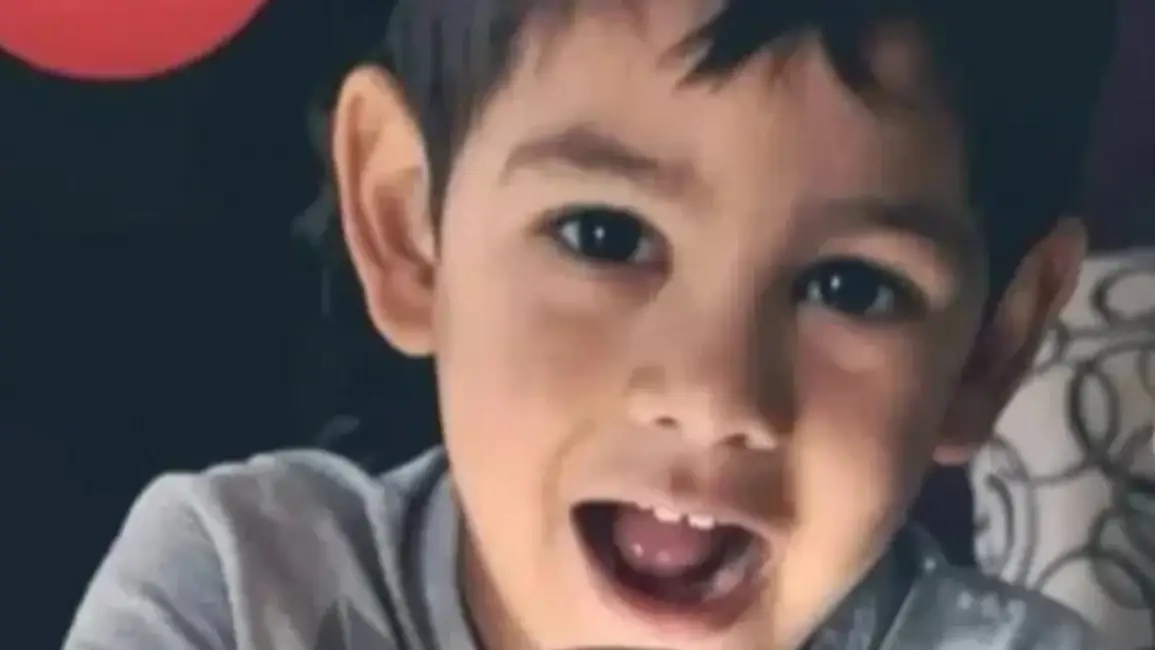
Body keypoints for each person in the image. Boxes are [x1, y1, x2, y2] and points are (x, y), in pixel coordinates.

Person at [62, 1, 1118, 649]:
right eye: (604, 234)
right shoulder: (238, 591)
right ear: (407, 223)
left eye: (850, 287)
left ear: (992, 343)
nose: (712, 392)